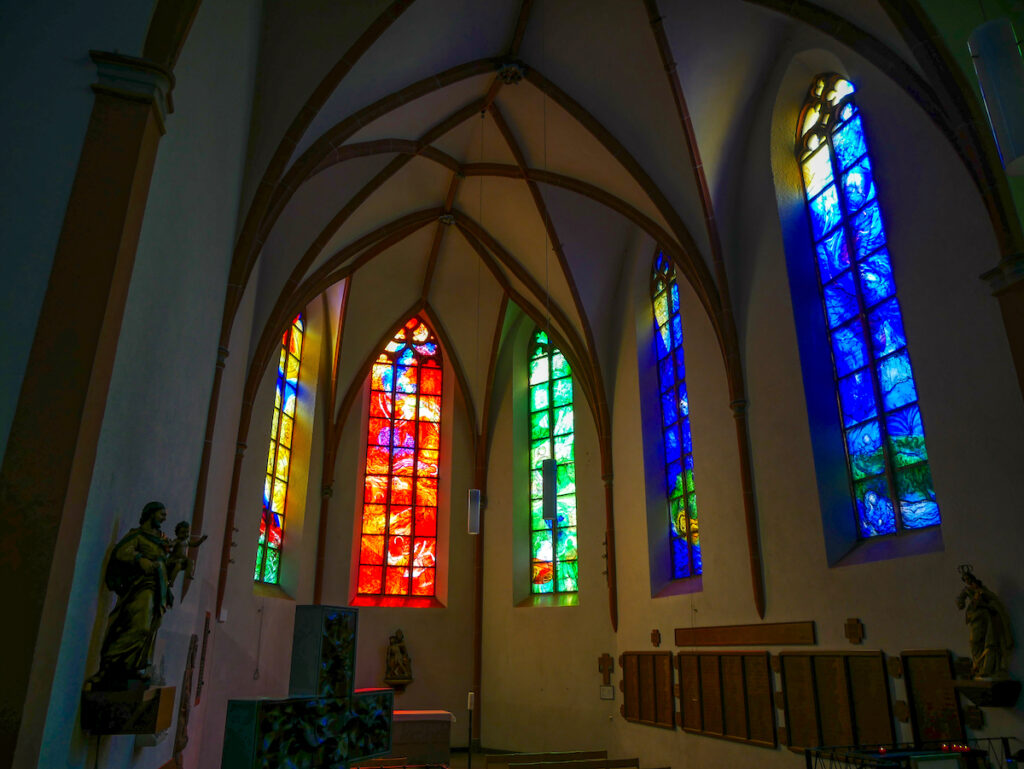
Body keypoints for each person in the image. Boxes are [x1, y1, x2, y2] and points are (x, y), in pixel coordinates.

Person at [87, 501, 175, 689]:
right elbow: (121, 552)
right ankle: (111, 663)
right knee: (139, 626)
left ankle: (136, 666)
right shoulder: (137, 536)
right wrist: (139, 559)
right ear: (150, 514)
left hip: (157, 588)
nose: (164, 518)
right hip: (140, 587)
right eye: (161, 514)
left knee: (150, 628)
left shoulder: (160, 540)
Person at [956, 565, 1013, 679]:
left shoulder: (982, 590)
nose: (967, 581)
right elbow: (960, 600)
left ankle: (987, 669)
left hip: (986, 618)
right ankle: (978, 666)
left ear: (972, 578)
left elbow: (993, 601)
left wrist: (985, 602)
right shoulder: (967, 590)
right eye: (965, 579)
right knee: (974, 643)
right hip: (975, 618)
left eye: (968, 578)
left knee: (989, 642)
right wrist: (961, 603)